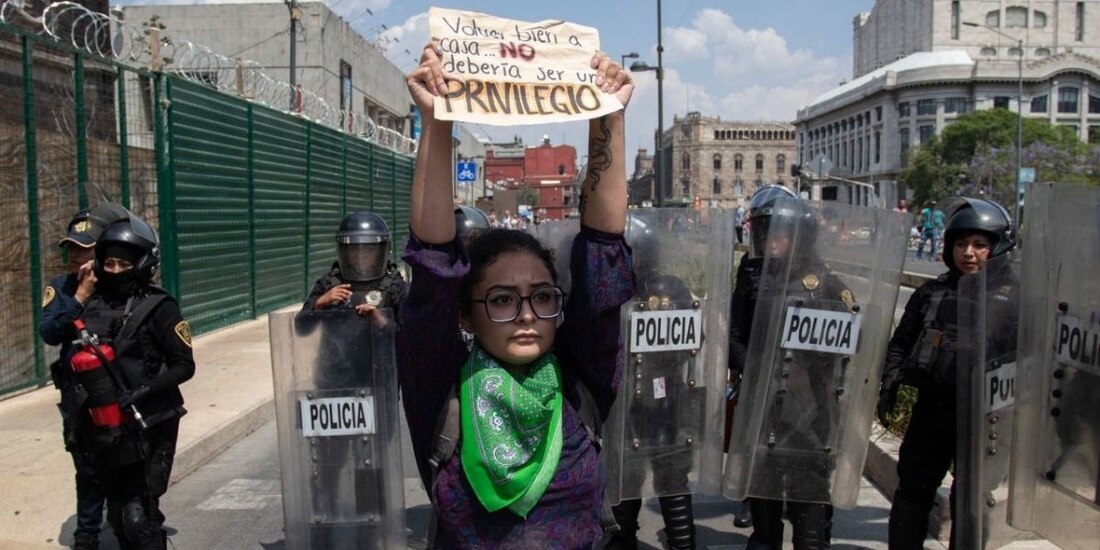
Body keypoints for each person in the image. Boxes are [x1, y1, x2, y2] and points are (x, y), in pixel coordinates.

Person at [397, 41, 635, 547]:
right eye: (503, 300)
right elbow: (433, 263)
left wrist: (608, 117)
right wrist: (436, 120)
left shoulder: (579, 383)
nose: (527, 314)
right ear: (466, 315)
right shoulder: (441, 389)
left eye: (541, 297)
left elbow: (603, 253)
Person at [877, 198, 1017, 549]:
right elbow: (901, 343)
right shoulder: (932, 293)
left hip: (985, 419)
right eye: (961, 243)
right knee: (912, 495)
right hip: (933, 411)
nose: (968, 253)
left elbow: (1031, 363)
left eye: (979, 244)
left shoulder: (1015, 301)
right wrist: (889, 382)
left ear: (998, 247)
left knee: (970, 503)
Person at [728, 185, 850, 549]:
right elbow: (735, 335)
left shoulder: (825, 284)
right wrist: (756, 368)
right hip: (762, 406)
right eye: (765, 233)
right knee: (763, 500)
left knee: (809, 506)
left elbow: (848, 346)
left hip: (809, 410)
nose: (771, 241)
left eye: (780, 233)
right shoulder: (753, 279)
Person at [72, 214, 196, 549]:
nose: (115, 270)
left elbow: (184, 365)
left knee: (138, 517)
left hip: (151, 420)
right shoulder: (91, 303)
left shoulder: (160, 306)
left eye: (124, 264)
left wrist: (146, 390)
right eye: (109, 263)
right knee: (116, 517)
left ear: (142, 264)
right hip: (107, 425)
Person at [40, 205, 125, 550]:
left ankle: (128, 522)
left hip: (116, 388)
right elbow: (50, 332)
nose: (76, 256)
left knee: (124, 459)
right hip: (77, 393)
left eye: (85, 249)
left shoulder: (119, 285)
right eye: (72, 249)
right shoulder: (61, 287)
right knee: (87, 465)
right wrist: (79, 298)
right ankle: (87, 533)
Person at [302, 210, 407, 317]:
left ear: (380, 252)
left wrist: (379, 320)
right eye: (354, 250)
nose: (361, 255)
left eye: (369, 250)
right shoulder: (329, 283)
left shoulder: (395, 286)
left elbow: (407, 324)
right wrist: (320, 303)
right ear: (345, 251)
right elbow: (302, 324)